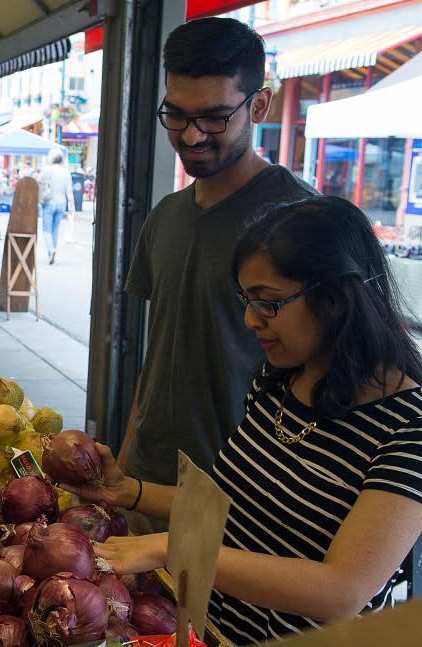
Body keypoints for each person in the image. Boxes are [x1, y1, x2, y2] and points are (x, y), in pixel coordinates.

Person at [63, 196, 422, 645]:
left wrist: (170, 548)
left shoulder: (409, 428)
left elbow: (342, 591)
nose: (251, 321)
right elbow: (231, 506)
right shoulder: (278, 382)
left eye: (268, 303)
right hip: (211, 631)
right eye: (247, 301)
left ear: (334, 298)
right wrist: (128, 491)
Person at [117, 17, 318, 533]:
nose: (190, 135)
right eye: (176, 115)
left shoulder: (305, 223)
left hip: (244, 503)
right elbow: (160, 352)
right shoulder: (164, 217)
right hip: (145, 484)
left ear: (259, 105)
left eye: (213, 117)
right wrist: (124, 465)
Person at [37, 148, 74, 264]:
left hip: (49, 203)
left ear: (51, 158)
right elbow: (69, 191)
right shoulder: (66, 172)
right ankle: (51, 253)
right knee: (55, 229)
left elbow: (38, 183)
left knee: (46, 229)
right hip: (62, 203)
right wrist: (72, 207)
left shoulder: (46, 170)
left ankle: (51, 250)